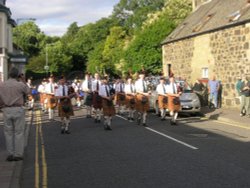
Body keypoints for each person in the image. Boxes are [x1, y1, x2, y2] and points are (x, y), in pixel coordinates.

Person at [0, 67, 30, 161]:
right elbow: (28, 91)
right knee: (19, 132)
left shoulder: (2, 85)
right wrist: (23, 80)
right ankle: (18, 154)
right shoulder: (20, 84)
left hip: (6, 109)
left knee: (8, 133)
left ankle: (10, 153)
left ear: (8, 74)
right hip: (18, 109)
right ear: (17, 75)